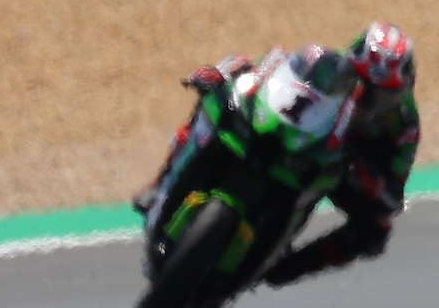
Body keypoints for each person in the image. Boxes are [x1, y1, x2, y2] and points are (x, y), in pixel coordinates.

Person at [132, 21, 420, 287]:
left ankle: (283, 266)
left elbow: (393, 193)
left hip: (341, 167)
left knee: (375, 233)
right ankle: (163, 180)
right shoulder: (322, 65)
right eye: (360, 85)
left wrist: (372, 183)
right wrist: (225, 72)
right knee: (217, 100)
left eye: (382, 93)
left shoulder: (404, 124)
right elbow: (267, 66)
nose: (367, 99)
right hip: (300, 135)